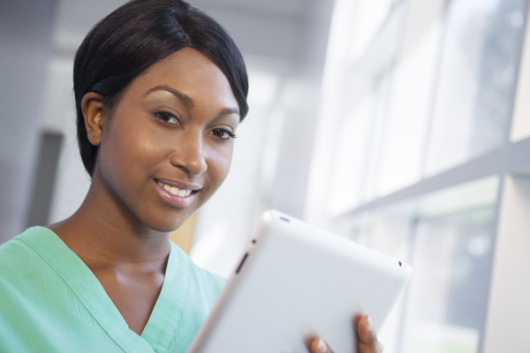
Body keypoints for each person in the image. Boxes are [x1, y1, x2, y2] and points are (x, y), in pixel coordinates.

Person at [0, 1, 382, 352]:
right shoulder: (9, 289)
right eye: (167, 116)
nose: (196, 160)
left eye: (221, 132)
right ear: (98, 116)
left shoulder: (239, 315)